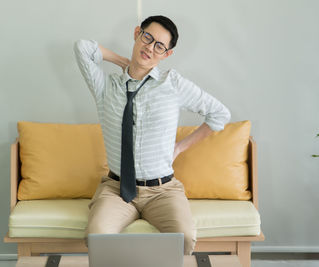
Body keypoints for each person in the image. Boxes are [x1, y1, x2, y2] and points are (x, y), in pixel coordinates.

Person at [73, 15, 230, 255]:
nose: (150, 47)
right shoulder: (106, 87)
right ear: (137, 33)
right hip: (117, 189)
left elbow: (220, 114)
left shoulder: (173, 84)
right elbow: (82, 47)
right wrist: (123, 62)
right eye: (147, 37)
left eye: (160, 46)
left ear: (166, 54)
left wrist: (179, 148)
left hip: (163, 191)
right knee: (96, 236)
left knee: (185, 238)